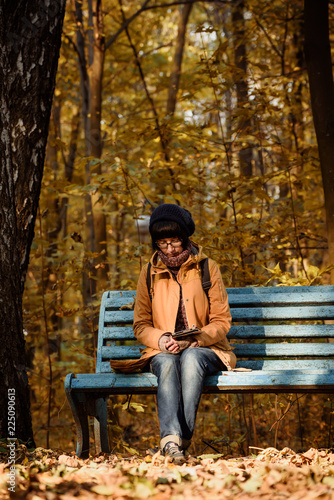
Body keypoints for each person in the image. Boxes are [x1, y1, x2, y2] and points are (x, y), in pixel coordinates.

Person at [131, 203, 236, 464]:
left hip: (207, 348)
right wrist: (161, 340)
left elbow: (222, 320)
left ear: (186, 238)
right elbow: (140, 324)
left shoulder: (206, 268)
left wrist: (197, 339)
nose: (169, 249)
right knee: (167, 362)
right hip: (164, 350)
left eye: (175, 241)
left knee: (190, 358)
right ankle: (171, 441)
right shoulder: (148, 273)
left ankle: (181, 438)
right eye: (162, 243)